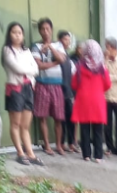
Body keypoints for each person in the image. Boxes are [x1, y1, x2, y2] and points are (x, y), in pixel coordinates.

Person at [1, 22, 44, 166]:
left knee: (25, 125)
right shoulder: (7, 50)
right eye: (14, 32)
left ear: (23, 35)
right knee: (15, 123)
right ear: (9, 34)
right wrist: (29, 69)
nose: (17, 35)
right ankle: (20, 153)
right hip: (15, 89)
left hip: (28, 89)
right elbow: (17, 68)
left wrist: (29, 70)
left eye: (20, 32)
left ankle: (30, 154)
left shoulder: (27, 51)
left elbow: (36, 69)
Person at [31, 18, 68, 156]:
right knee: (42, 117)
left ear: (51, 30)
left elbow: (63, 59)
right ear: (40, 31)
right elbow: (39, 65)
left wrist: (51, 47)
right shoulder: (35, 46)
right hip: (42, 84)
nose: (45, 32)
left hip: (57, 85)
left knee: (58, 117)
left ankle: (58, 145)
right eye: (43, 29)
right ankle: (47, 145)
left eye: (48, 29)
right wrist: (55, 62)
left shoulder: (58, 45)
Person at [70, 40, 112, 163]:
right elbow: (108, 84)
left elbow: (73, 84)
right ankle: (98, 156)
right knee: (98, 129)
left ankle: (86, 155)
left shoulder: (78, 66)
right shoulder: (102, 68)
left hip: (83, 100)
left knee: (84, 129)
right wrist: (99, 89)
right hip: (97, 100)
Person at [57, 30, 80, 153]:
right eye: (65, 39)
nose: (67, 42)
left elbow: (74, 75)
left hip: (69, 92)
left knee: (71, 117)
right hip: (59, 90)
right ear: (60, 40)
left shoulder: (69, 58)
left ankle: (72, 142)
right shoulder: (57, 54)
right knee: (61, 119)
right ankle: (61, 143)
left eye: (69, 40)